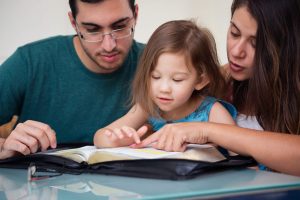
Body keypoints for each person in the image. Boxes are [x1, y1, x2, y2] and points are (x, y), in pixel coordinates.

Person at [136, 0, 300, 176]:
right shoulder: (212, 84)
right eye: (235, 33)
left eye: (256, 43)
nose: (237, 51)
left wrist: (207, 131)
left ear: (286, 46)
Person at [0, 0, 144, 159]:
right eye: (92, 30)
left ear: (135, 15)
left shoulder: (159, 64)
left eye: (119, 27)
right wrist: (3, 147)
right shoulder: (30, 62)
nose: (108, 45)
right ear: (73, 23)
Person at [94, 20, 237, 149]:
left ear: (201, 80)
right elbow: (100, 138)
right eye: (155, 76)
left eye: (177, 79)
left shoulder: (212, 111)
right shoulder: (147, 107)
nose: (164, 89)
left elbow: (240, 154)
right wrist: (119, 139)